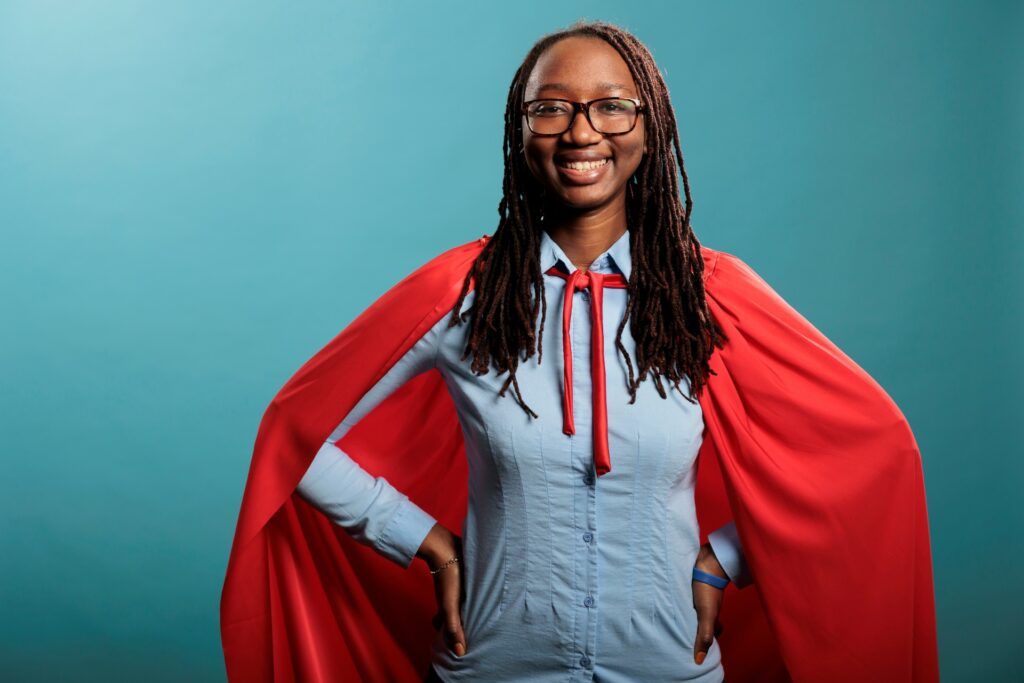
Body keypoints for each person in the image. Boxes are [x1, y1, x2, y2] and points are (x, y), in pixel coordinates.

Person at [220, 20, 939, 683]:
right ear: (520, 131)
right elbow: (295, 434)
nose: (581, 132)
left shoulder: (710, 295)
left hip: (671, 667)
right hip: (492, 667)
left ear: (649, 128)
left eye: (611, 106)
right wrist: (421, 538)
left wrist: (730, 552)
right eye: (552, 108)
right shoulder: (462, 292)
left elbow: (867, 449)